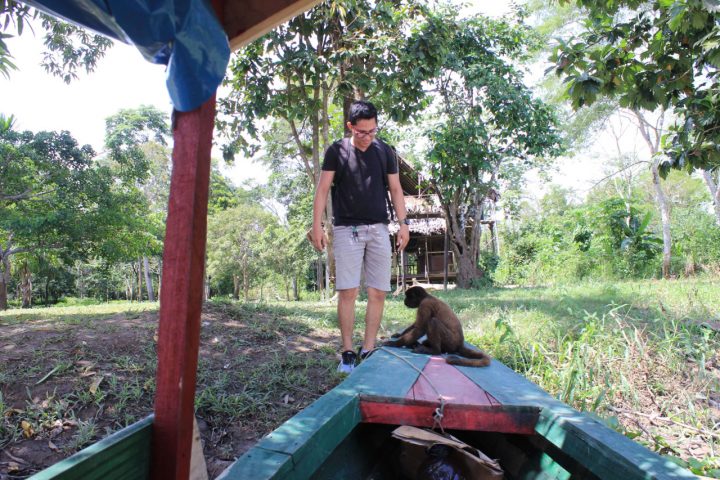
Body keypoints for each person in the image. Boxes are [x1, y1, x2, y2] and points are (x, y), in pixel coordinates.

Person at [310, 100, 410, 373]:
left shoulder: (385, 151)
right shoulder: (337, 151)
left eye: (372, 131)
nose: (367, 138)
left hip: (379, 228)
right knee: (349, 291)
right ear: (350, 127)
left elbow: (396, 189)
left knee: (378, 291)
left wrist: (403, 224)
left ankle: (368, 349)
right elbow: (322, 190)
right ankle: (347, 352)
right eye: (361, 132)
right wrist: (316, 225)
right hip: (346, 230)